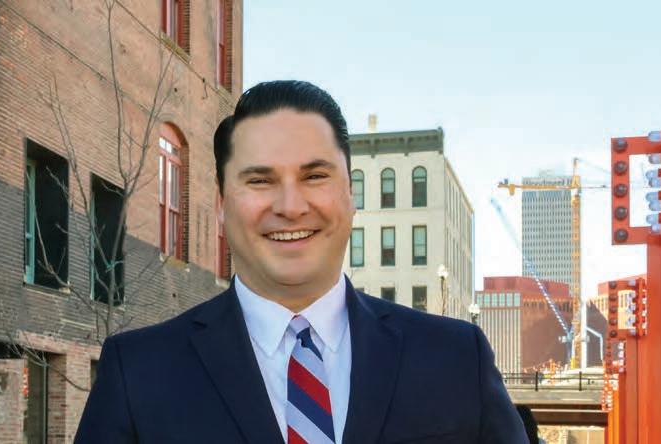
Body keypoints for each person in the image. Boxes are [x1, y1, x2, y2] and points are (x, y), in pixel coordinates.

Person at [75, 80, 527, 443]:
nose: (290, 206)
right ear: (221, 204)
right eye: (260, 180)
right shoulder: (137, 374)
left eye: (314, 176)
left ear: (350, 195)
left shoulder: (455, 359)